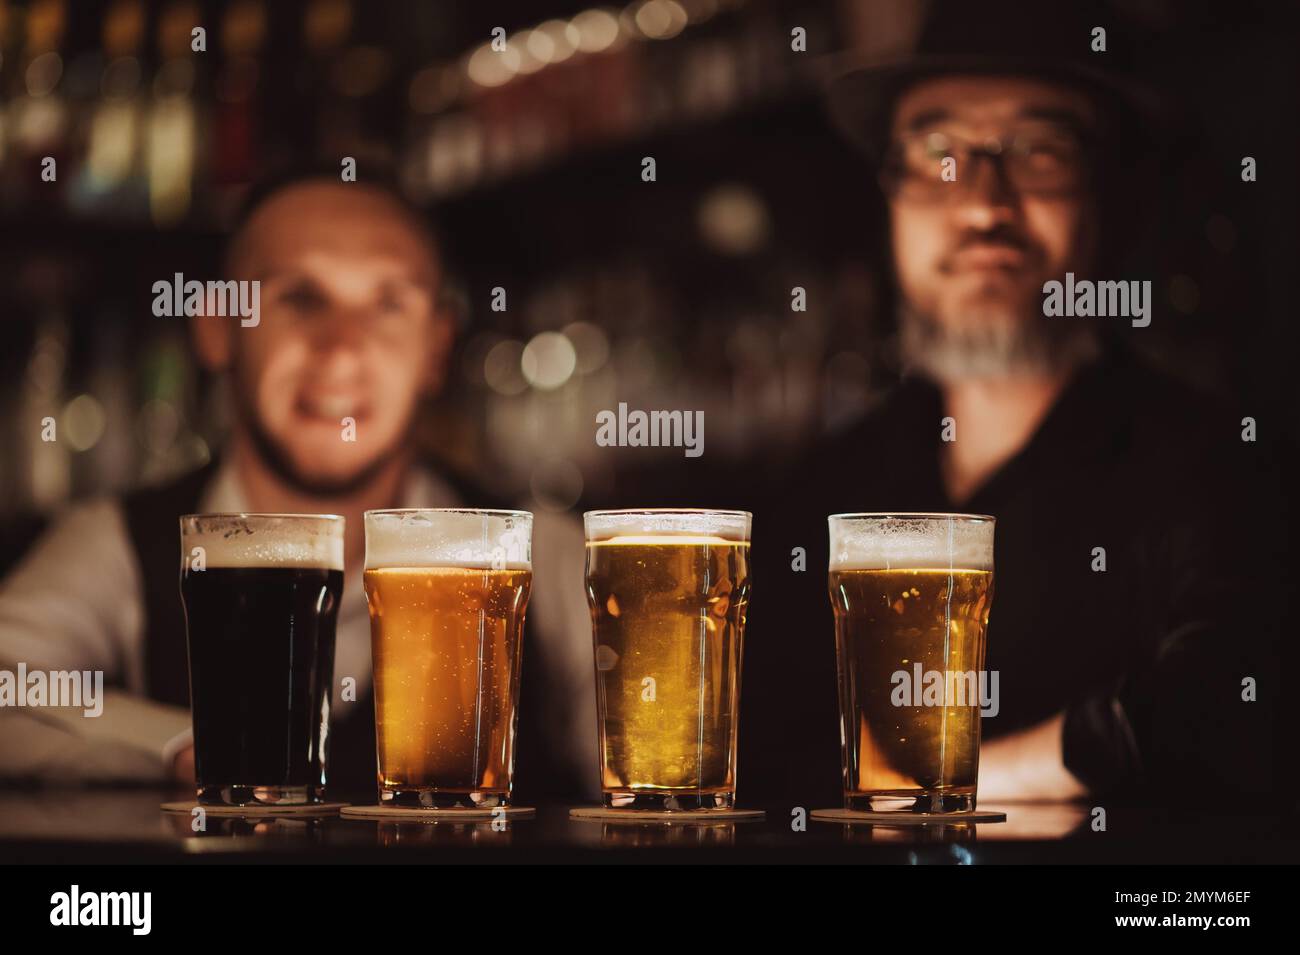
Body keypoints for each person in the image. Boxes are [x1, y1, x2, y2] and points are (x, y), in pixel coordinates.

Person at [737, 1, 1285, 808]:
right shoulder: (816, 497)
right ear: (889, 196)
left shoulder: (1219, 472)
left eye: (1040, 151)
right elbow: (750, 778)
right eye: (937, 152)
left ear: (1109, 195)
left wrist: (955, 788)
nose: (984, 205)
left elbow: (1240, 706)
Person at [0, 170, 595, 802]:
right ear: (215, 328)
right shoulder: (119, 542)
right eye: (299, 298)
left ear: (436, 347)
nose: (341, 351)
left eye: (389, 303)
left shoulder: (544, 554)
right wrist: (180, 747)